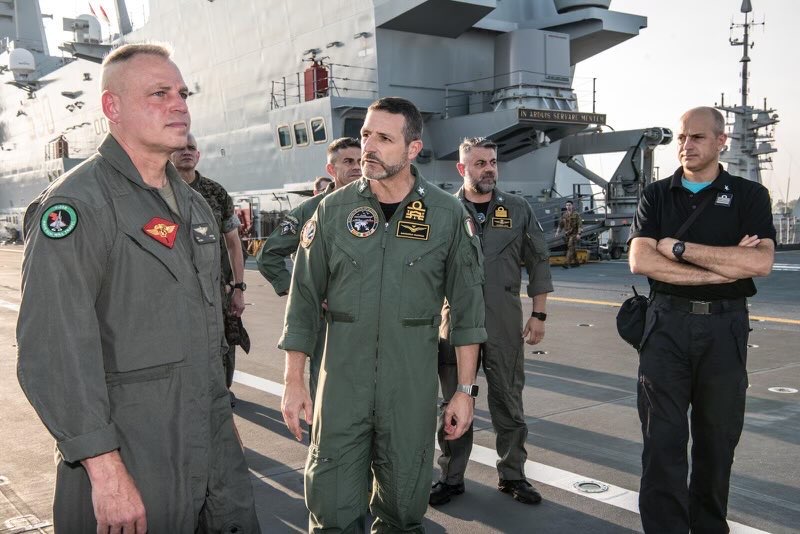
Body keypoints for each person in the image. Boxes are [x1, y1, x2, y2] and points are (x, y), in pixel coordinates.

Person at [16, 43, 260, 532]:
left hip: (210, 444)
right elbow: (53, 351)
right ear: (113, 108)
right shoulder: (78, 206)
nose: (180, 104)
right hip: (130, 454)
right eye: (159, 93)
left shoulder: (193, 206)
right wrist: (104, 471)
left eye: (182, 93)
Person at [279, 97, 487, 532]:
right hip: (339, 391)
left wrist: (464, 390)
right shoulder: (333, 211)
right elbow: (303, 300)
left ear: (412, 149)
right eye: (365, 135)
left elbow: (467, 311)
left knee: (403, 511)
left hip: (408, 393)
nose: (369, 147)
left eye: (384, 138)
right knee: (331, 510)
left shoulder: (447, 215)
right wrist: (294, 380)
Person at [628, 106, 775, 534]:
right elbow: (639, 260)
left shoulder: (749, 195)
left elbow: (762, 263)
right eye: (681, 138)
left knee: (716, 443)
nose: (685, 146)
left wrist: (675, 248)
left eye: (697, 138)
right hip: (666, 328)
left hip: (725, 331)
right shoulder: (657, 194)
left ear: (720, 141)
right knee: (662, 444)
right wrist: (728, 264)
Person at [430, 137, 553, 507]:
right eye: (480, 162)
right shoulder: (444, 211)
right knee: (453, 402)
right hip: (455, 324)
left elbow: (539, 260)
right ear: (462, 168)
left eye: (493, 162)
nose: (489, 169)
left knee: (509, 402)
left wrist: (539, 313)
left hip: (504, 322)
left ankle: (513, 475)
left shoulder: (517, 209)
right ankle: (451, 477)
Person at [257, 137, 361, 407]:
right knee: (327, 398)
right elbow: (268, 256)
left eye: (361, 161)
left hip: (372, 321)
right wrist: (303, 292)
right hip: (327, 323)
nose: (357, 167)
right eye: (348, 161)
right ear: (331, 169)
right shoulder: (310, 210)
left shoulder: (379, 206)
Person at [171, 133, 247, 401]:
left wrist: (238, 287)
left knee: (224, 342)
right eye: (180, 148)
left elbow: (234, 243)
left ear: (198, 155)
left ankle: (221, 395)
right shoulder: (155, 191)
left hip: (217, 289)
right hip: (173, 289)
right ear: (168, 153)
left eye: (191, 148)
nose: (187, 152)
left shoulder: (216, 192)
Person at [556, 199, 581, 268]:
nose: (568, 206)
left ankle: (566, 263)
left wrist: (579, 234)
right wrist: (558, 231)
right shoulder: (564, 215)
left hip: (574, 234)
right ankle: (576, 262)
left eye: (569, 205)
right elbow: (561, 224)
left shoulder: (576, 215)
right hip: (567, 234)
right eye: (567, 205)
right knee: (572, 248)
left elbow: (580, 225)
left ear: (572, 206)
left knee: (570, 246)